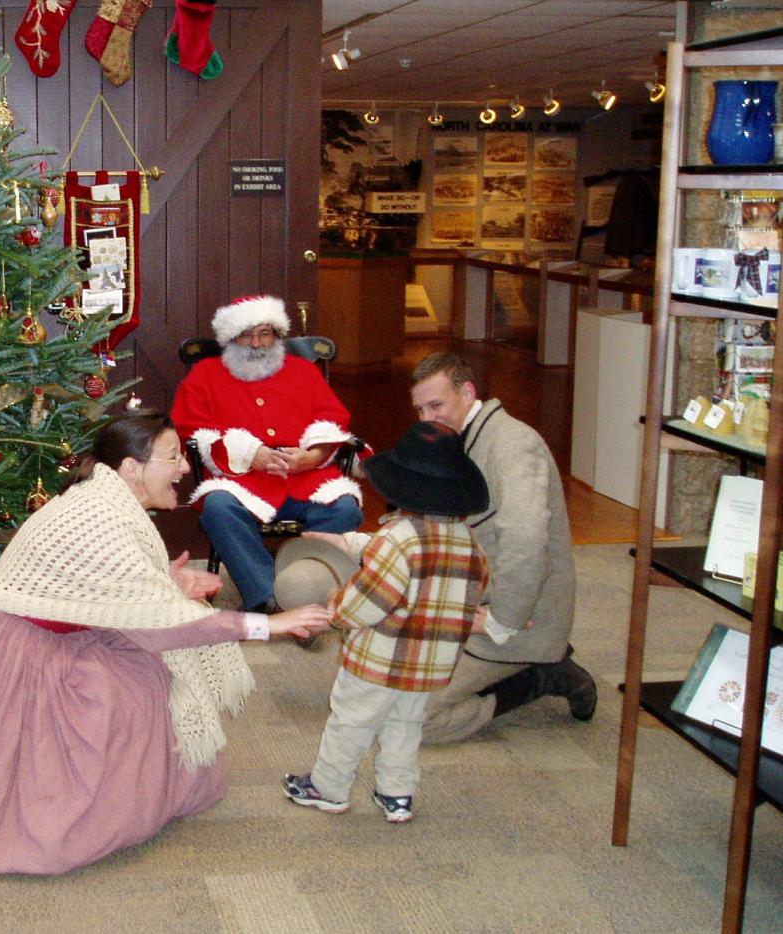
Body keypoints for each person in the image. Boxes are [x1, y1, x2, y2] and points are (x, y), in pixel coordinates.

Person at [0, 411, 328, 875]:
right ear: (133, 467)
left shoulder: (105, 498)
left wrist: (168, 585)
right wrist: (269, 625)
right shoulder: (103, 518)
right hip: (17, 648)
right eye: (173, 456)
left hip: (20, 632)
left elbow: (110, 592)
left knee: (147, 671)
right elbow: (166, 626)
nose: (184, 467)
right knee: (132, 689)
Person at [282, 421, 490, 823]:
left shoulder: (400, 541)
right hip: (428, 665)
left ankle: (329, 787)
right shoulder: (472, 547)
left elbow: (368, 602)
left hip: (378, 661)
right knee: (405, 725)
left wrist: (336, 606)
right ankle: (397, 793)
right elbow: (468, 598)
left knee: (351, 721)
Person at [408, 352, 596, 743]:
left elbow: (527, 541)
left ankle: (540, 675)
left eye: (436, 405)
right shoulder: (462, 440)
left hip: (512, 621)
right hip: (466, 606)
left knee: (414, 721)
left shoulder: (511, 445)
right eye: (420, 409)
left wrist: (502, 621)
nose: (427, 419)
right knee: (381, 685)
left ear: (468, 392)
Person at [171, 294, 365, 613]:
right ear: (230, 339)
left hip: (306, 476)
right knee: (218, 508)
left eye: (265, 333)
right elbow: (190, 430)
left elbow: (333, 419)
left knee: (345, 509)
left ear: (277, 335)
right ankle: (267, 595)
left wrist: (313, 456)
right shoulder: (205, 375)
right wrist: (250, 453)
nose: (257, 344)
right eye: (246, 334)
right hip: (241, 480)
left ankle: (304, 585)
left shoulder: (304, 371)